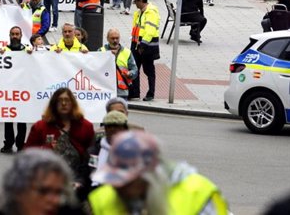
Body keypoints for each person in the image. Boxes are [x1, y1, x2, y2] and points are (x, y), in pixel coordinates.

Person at [89, 130, 228, 214]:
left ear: (147, 176)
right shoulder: (102, 198)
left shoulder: (196, 193)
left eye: (125, 181)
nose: (117, 186)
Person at [25, 88, 95, 193]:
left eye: (67, 100)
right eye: (59, 100)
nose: (63, 103)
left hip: (77, 182)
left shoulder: (86, 126)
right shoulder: (40, 126)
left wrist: (83, 181)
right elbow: (27, 155)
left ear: (73, 103)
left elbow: (91, 157)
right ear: (53, 104)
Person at [1, 26, 27, 154]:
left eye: (17, 34)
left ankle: (21, 144)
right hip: (8, 89)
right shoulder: (3, 50)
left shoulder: (27, 50)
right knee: (8, 118)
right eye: (13, 34)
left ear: (21, 35)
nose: (15, 36)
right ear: (9, 35)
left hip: (22, 89)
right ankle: (8, 143)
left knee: (22, 118)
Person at [130, 0, 160, 101]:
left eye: (136, 1)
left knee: (148, 70)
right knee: (134, 68)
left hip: (146, 45)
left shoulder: (151, 13)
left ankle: (151, 93)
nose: (135, 3)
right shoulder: (139, 13)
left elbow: (150, 30)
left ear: (141, 0)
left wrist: (143, 44)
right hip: (136, 43)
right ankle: (134, 93)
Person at [88, 111, 130, 188]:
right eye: (109, 126)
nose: (112, 129)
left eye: (116, 126)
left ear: (124, 129)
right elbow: (84, 173)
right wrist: (79, 183)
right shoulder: (94, 151)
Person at [99, 29, 137, 99]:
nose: (115, 40)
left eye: (117, 38)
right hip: (105, 91)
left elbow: (134, 70)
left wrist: (130, 73)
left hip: (122, 91)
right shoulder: (101, 51)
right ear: (107, 38)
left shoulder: (127, 52)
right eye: (112, 38)